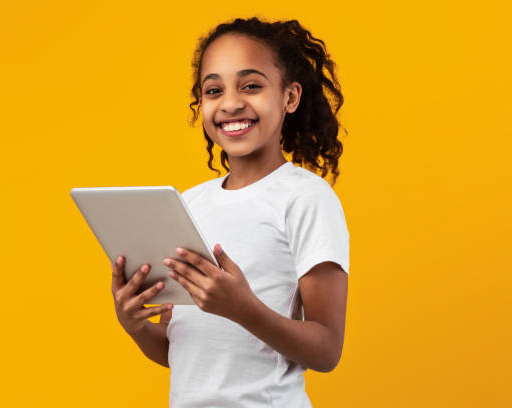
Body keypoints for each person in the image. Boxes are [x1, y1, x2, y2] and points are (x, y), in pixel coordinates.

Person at [111, 16, 350, 408]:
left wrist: (243, 309)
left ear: (290, 97)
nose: (231, 103)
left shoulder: (306, 198)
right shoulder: (188, 204)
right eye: (214, 90)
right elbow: (184, 353)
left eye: (251, 86)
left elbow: (327, 350)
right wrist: (134, 326)